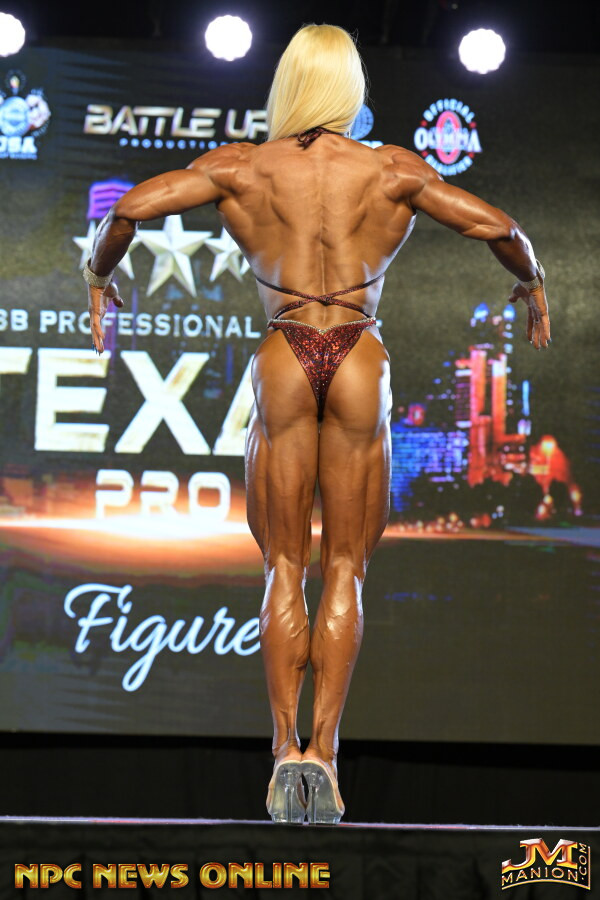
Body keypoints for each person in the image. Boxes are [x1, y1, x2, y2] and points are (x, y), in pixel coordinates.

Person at [82, 23, 550, 825]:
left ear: (289, 85)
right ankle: (325, 754)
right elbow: (501, 229)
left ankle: (282, 753)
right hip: (360, 351)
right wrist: (533, 283)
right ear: (349, 88)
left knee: (283, 563)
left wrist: (99, 275)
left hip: (285, 351)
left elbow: (128, 209)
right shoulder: (392, 167)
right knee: (345, 569)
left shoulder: (243, 166)